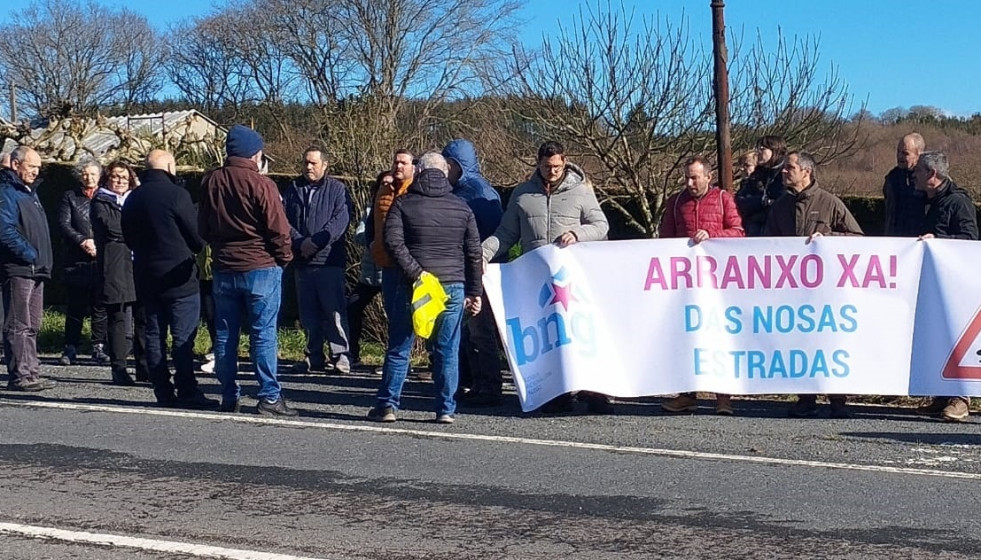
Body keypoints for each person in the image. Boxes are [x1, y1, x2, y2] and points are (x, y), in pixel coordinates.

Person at [482, 141, 611, 414]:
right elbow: (506, 234)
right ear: (538, 163)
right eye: (546, 166)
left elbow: (600, 225)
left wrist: (577, 234)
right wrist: (482, 254)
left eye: (556, 166)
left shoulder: (581, 191)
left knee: (579, 333)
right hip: (537, 280)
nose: (552, 171)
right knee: (548, 336)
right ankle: (555, 393)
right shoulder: (522, 194)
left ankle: (594, 392)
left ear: (564, 161)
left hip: (574, 279)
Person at [368, 152, 482, 424]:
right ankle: (445, 409)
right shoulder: (461, 207)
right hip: (452, 284)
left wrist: (416, 272)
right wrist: (474, 291)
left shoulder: (403, 204)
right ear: (446, 173)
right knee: (447, 349)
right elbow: (474, 252)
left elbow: (392, 242)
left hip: (414, 284)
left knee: (400, 346)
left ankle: (388, 406)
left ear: (418, 172)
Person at [199, 125, 295, 416]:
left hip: (225, 266)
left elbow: (203, 227)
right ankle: (269, 396)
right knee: (263, 334)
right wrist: (284, 258)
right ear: (255, 153)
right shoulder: (262, 184)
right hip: (261, 265)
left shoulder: (210, 181)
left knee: (225, 334)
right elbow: (279, 228)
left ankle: (229, 395)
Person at [765, 151, 863, 418]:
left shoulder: (830, 202)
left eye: (790, 167)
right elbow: (766, 244)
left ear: (806, 171)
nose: (784, 171)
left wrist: (829, 239)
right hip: (793, 289)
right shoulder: (780, 207)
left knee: (829, 344)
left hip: (827, 291)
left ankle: (838, 400)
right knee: (801, 343)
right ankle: (806, 398)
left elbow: (857, 238)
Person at [122, 150, 216, 408]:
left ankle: (162, 390)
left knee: (154, 335)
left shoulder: (133, 197)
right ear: (170, 167)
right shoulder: (177, 195)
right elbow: (197, 239)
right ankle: (187, 390)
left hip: (146, 275)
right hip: (179, 277)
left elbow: (128, 237)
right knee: (183, 337)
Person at [658, 156, 745, 415]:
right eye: (686, 177)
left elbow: (738, 232)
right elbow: (665, 239)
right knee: (686, 336)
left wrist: (712, 235)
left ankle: (723, 398)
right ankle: (686, 394)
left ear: (708, 177)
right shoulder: (676, 202)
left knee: (718, 336)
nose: (689, 183)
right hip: (685, 282)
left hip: (717, 283)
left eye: (694, 178)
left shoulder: (723, 199)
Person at [911, 151, 978, 422]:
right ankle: (941, 395)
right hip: (930, 283)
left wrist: (938, 241)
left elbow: (970, 239)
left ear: (932, 174)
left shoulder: (958, 202)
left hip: (955, 286)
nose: (913, 175)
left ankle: (961, 398)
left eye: (918, 170)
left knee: (954, 335)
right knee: (935, 336)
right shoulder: (924, 201)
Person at [442, 138, 505, 407]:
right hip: (470, 269)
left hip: (479, 272)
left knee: (481, 331)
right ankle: (477, 382)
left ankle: (490, 386)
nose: (446, 170)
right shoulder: (470, 190)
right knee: (471, 331)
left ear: (459, 165)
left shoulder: (477, 194)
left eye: (449, 164)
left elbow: (488, 234)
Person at [283, 146, 353, 375]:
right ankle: (313, 356)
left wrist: (317, 242)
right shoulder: (293, 189)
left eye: (313, 163)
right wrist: (300, 242)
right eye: (305, 162)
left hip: (328, 261)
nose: (308, 167)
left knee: (334, 312)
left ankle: (341, 356)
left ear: (324, 165)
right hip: (302, 260)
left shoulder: (337, 189)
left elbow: (340, 220)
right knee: (308, 315)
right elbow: (283, 220)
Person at [0, 146, 54, 391]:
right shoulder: (7, 192)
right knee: (18, 323)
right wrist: (29, 254)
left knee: (32, 324)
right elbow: (5, 230)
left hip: (37, 268)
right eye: (31, 166)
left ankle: (31, 371)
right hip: (20, 268)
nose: (36, 171)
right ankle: (20, 375)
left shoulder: (30, 192)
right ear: (15, 164)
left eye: (38, 167)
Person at [91, 161, 140, 386]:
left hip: (137, 263)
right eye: (115, 176)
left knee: (143, 316)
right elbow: (112, 228)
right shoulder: (100, 201)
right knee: (117, 316)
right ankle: (119, 368)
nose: (120, 181)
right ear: (107, 179)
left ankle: (144, 366)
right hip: (114, 265)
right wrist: (135, 231)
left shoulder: (135, 199)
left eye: (124, 177)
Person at [57, 158, 108, 366]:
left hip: (102, 259)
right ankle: (70, 347)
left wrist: (101, 244)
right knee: (75, 306)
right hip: (77, 260)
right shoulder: (70, 196)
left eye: (93, 174)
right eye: (85, 174)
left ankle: (99, 346)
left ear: (100, 175)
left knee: (100, 306)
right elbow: (63, 224)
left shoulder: (106, 196)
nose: (89, 177)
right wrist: (82, 241)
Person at [347, 171, 389, 368]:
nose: (386, 187)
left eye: (390, 184)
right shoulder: (370, 210)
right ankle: (352, 354)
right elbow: (359, 235)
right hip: (369, 276)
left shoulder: (399, 208)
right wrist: (374, 239)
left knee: (394, 317)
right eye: (382, 184)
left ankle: (393, 360)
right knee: (352, 307)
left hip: (389, 274)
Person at [735, 135, 788, 236]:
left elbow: (781, 202)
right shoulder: (757, 174)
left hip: (778, 231)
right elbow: (740, 201)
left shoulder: (785, 174)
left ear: (774, 149)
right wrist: (763, 201)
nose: (758, 152)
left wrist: (758, 203)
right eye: (757, 148)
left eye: (762, 148)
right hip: (754, 229)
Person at [883, 133, 927, 237]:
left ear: (919, 154)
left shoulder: (927, 178)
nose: (899, 156)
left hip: (919, 239)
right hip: (894, 238)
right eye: (898, 152)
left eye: (905, 153)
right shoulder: (892, 177)